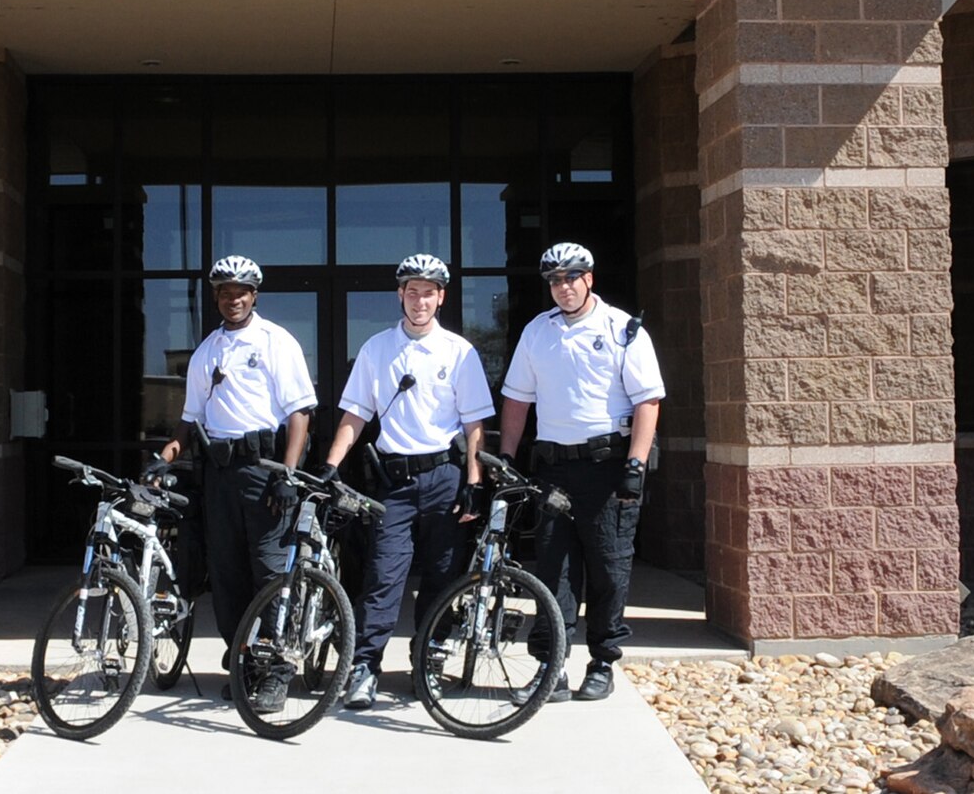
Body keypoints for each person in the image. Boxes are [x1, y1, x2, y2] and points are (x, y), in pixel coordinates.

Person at [321, 253, 492, 711]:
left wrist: (475, 481)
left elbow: (475, 425)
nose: (420, 301)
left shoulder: (460, 351)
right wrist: (332, 466)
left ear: (442, 297)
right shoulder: (377, 348)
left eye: (428, 292)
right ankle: (365, 667)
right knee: (383, 576)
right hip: (393, 482)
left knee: (442, 575)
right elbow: (355, 414)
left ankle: (427, 660)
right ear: (400, 295)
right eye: (412, 291)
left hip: (445, 477)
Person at [498, 242, 663, 702]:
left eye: (571, 277)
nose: (563, 287)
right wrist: (509, 459)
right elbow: (517, 400)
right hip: (553, 470)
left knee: (608, 568)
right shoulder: (537, 332)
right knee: (554, 570)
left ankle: (603, 661)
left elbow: (647, 401)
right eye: (554, 280)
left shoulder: (622, 329)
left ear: (589, 278)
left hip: (606, 467)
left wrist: (635, 463)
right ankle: (551, 668)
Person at [155, 255, 315, 697]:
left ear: (254, 295)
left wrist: (288, 472)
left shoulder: (276, 341)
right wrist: (165, 456)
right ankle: (243, 663)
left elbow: (300, 412)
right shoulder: (207, 351)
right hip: (219, 476)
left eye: (241, 292)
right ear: (216, 297)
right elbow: (189, 421)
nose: (234, 300)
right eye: (225, 293)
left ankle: (277, 669)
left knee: (269, 572)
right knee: (226, 576)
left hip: (265, 473)